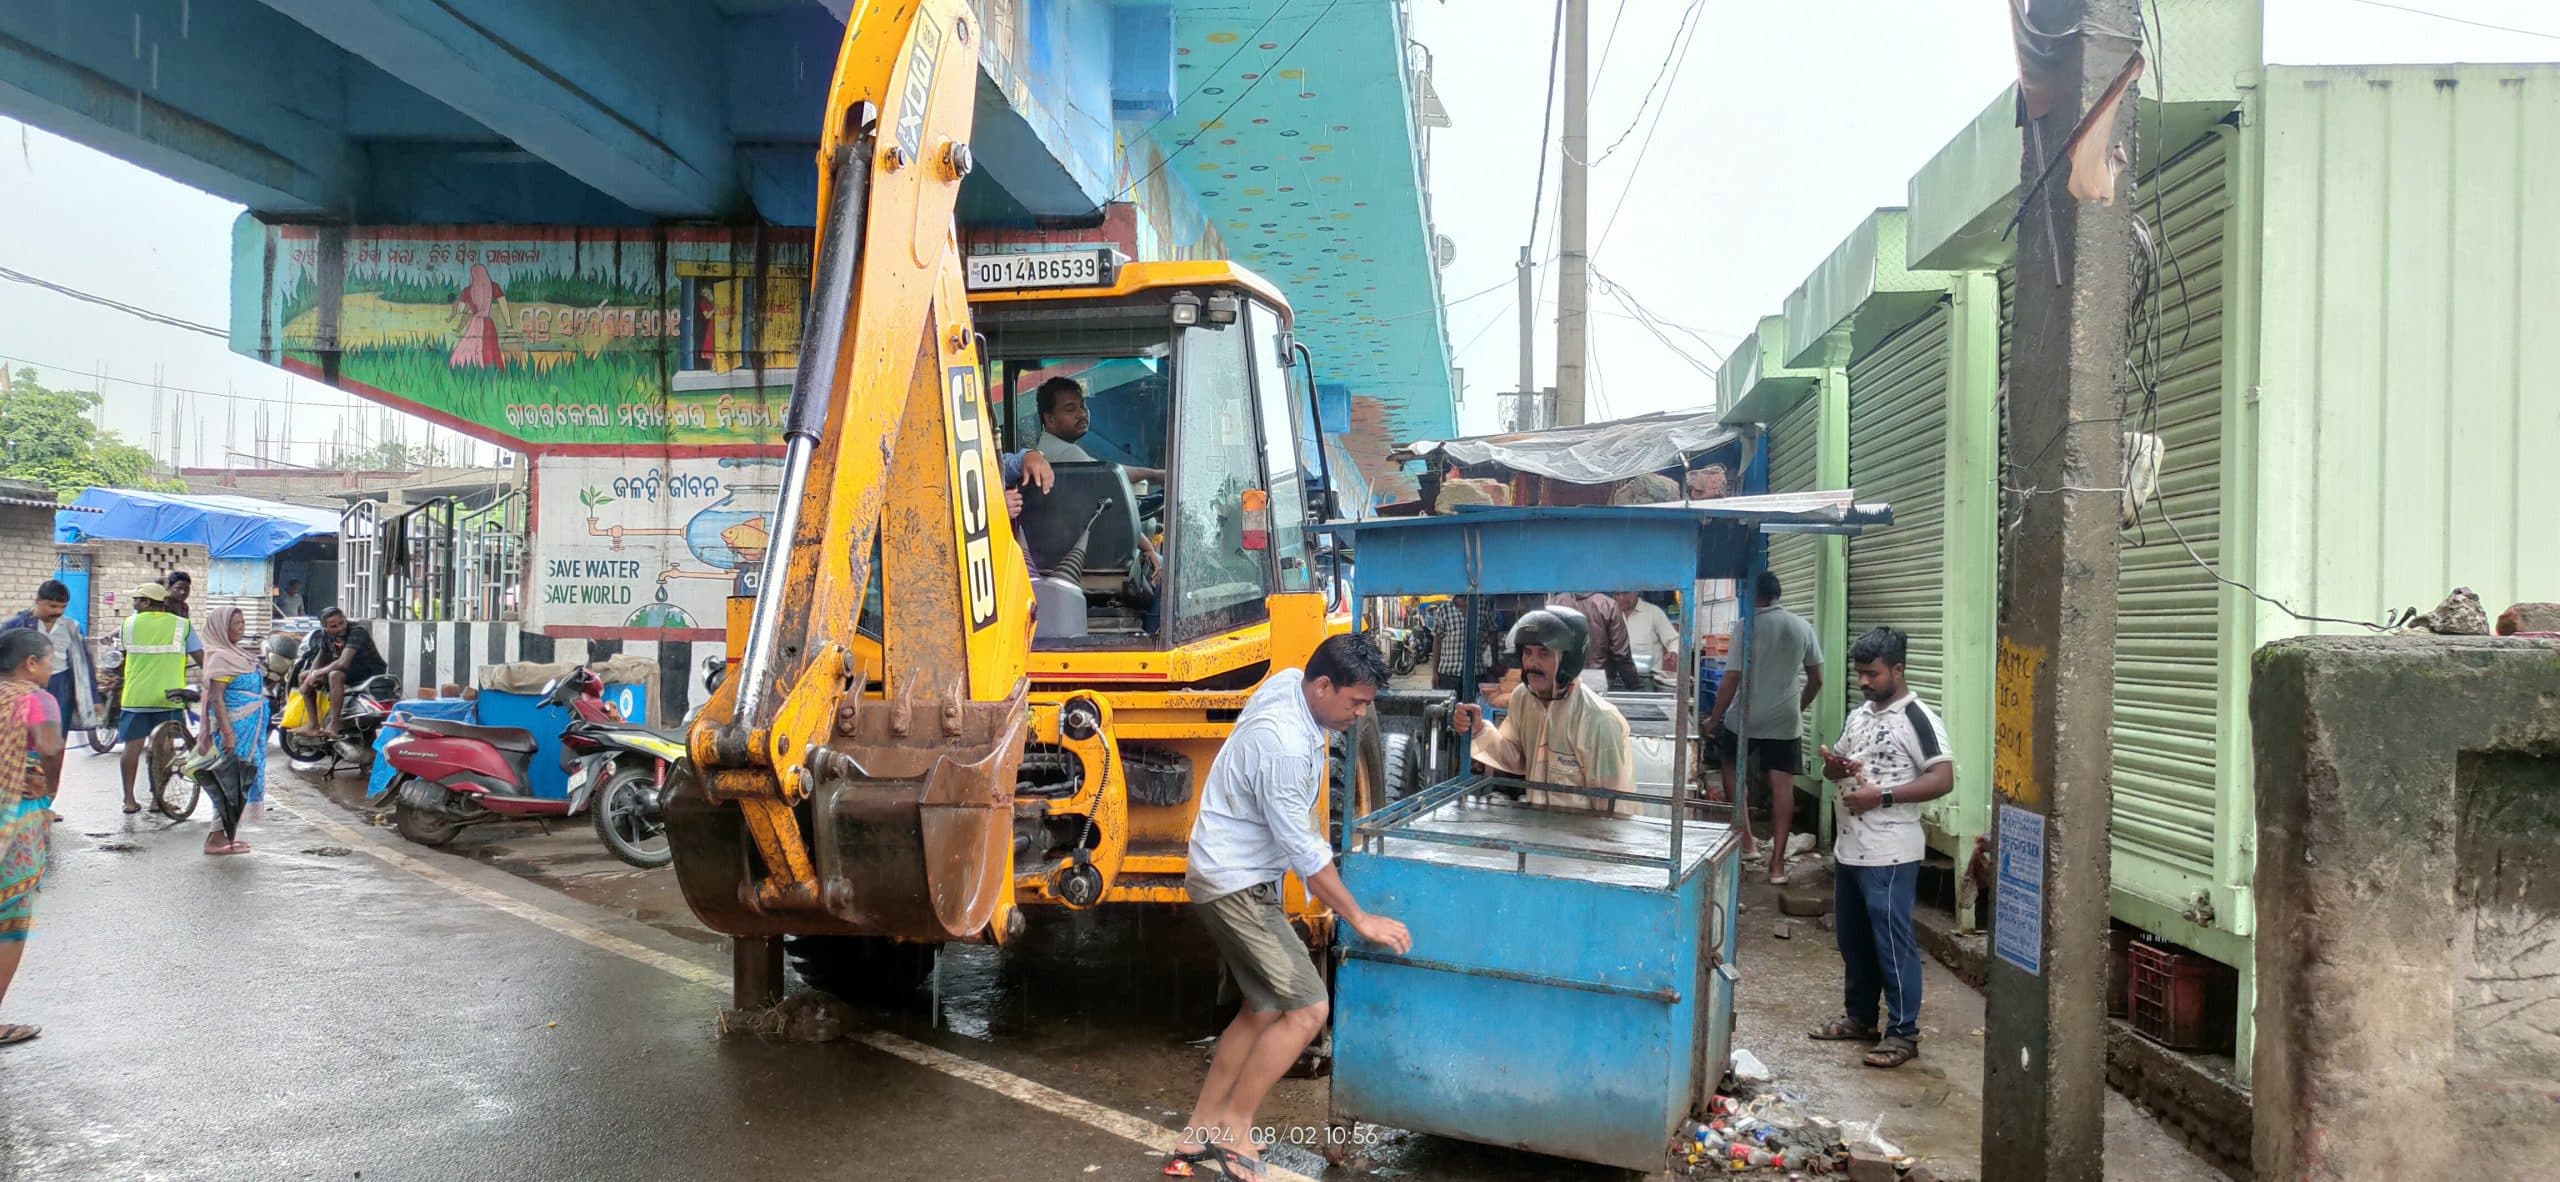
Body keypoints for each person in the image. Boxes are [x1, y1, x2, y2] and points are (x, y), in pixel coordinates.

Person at [1174, 633, 1410, 1179]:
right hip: (1235, 884)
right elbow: (1306, 854)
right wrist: (1361, 918)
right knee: (1308, 1009)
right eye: (1355, 701)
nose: (1360, 713)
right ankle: (1234, 1129)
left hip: (1234, 872)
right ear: (1323, 686)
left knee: (1262, 1009)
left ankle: (1196, 1133)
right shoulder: (1281, 743)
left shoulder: (1289, 682)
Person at [1807, 627, 1953, 1071]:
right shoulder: (1860, 716)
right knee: (1854, 940)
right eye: (1860, 674)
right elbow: (1841, 771)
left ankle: (1903, 1033)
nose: (1865, 682)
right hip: (1850, 847)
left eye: (1872, 674)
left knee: (1892, 941)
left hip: (1890, 850)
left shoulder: (1918, 718)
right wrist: (1835, 768)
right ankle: (1861, 1018)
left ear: (1898, 670)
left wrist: (1883, 797)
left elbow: (1942, 777)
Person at [1453, 606, 1637, 815]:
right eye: (1528, 653)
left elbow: (1614, 810)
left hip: (1581, 839)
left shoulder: (1598, 720)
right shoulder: (1523, 697)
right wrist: (1479, 730)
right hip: (1540, 827)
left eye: (1544, 653)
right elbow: (1516, 757)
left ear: (1569, 659)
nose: (1532, 662)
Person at [1705, 571, 1824, 882]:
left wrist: (1714, 718)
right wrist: (1798, 707)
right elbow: (1817, 679)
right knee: (1782, 786)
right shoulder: (1802, 626)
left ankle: (1747, 843)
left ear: (1752, 594)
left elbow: (1731, 678)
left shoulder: (1746, 627)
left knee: (1732, 771)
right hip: (1785, 720)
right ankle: (1777, 866)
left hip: (1744, 718)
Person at [0, 627, 59, 1047]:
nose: (51, 671)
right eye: (50, 662)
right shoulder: (38, 700)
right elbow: (52, 751)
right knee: (11, 923)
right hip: (14, 822)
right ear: (31, 664)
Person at [116, 583, 195, 815]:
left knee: (131, 748)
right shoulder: (182, 626)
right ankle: (157, 800)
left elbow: (124, 653)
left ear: (147, 602)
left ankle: (129, 800)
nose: (133, 604)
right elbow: (201, 656)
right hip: (169, 697)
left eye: (137, 599)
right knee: (164, 750)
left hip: (135, 697)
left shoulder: (127, 625)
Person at [197, 606, 265, 855]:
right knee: (230, 782)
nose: (241, 626)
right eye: (235, 623)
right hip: (235, 728)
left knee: (240, 782)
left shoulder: (237, 654)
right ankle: (215, 838)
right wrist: (227, 733)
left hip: (249, 728)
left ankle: (225, 834)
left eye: (242, 621)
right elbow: (216, 698)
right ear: (220, 627)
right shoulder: (219, 657)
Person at [4, 581, 100, 738]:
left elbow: (84, 662)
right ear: (38, 601)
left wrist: (93, 697)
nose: (58, 611)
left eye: (62, 607)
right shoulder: (17, 625)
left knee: (56, 736)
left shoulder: (70, 627)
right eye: (52, 606)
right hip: (26, 686)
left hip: (61, 686)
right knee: (26, 735)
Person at [1032, 377, 1166, 484]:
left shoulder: (1049, 447)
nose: (1082, 414)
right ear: (1050, 418)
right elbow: (1113, 474)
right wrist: (1154, 474)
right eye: (1070, 409)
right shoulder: (1066, 452)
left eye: (1083, 405)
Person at [295, 608, 387, 739]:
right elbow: (321, 657)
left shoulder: (357, 632)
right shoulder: (326, 636)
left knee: (335, 675)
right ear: (325, 627)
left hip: (369, 669)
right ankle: (313, 725)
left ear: (345, 619)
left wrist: (318, 673)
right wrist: (310, 676)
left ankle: (334, 725)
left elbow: (343, 663)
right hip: (350, 669)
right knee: (303, 676)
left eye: (342, 623)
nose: (340, 628)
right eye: (334, 626)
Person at [1550, 590, 1642, 693]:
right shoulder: (1608, 605)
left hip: (1565, 678)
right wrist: (1634, 686)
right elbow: (1621, 653)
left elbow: (1549, 644)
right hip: (1598, 679)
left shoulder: (1556, 603)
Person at [1619, 591, 1683, 691]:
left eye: (1625, 593)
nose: (1621, 598)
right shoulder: (1612, 613)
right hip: (1619, 681)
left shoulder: (1654, 613)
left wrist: (1674, 651)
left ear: (1636, 591)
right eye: (1617, 594)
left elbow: (1674, 639)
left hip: (1648, 682)